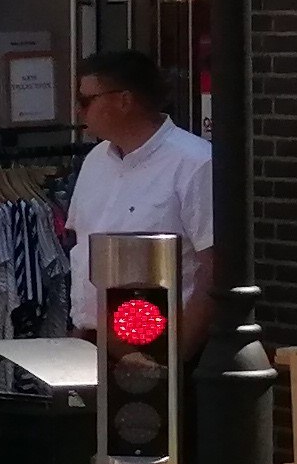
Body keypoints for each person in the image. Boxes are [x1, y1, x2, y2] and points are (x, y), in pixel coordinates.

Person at [68, 46, 219, 330]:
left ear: (124, 101)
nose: (78, 110)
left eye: (85, 100)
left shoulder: (194, 163)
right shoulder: (95, 161)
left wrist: (175, 356)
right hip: (92, 343)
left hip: (160, 345)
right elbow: (82, 252)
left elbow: (214, 272)